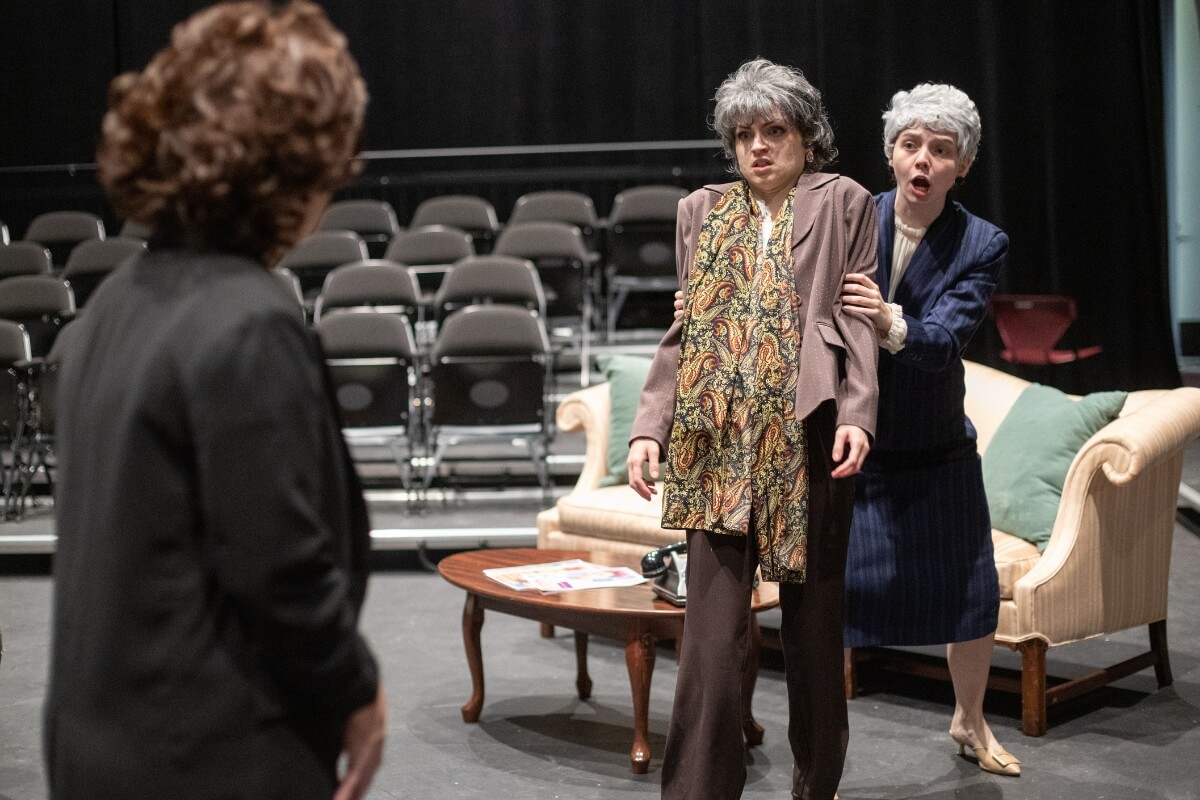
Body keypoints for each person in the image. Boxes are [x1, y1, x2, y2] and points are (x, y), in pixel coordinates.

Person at [44, 4, 386, 799]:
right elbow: (281, 566)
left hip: (98, 746)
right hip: (211, 754)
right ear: (291, 164)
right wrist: (356, 689)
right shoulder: (246, 320)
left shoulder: (113, 306)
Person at [628, 58, 879, 800]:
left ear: (807, 134)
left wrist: (859, 413)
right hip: (717, 447)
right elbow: (684, 330)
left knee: (810, 639)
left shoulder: (845, 202)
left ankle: (815, 788)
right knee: (708, 647)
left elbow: (858, 318)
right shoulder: (700, 211)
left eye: (774, 130)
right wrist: (651, 427)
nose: (758, 146)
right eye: (743, 134)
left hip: (808, 443)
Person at [839, 84, 1017, 776]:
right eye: (911, 145)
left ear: (962, 166)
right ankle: (824, 745)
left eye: (941, 150)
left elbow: (944, 342)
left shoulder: (981, 242)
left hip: (938, 447)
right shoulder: (854, 216)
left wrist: (885, 319)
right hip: (855, 445)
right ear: (890, 154)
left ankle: (970, 721)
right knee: (832, 600)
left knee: (971, 597)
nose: (923, 160)